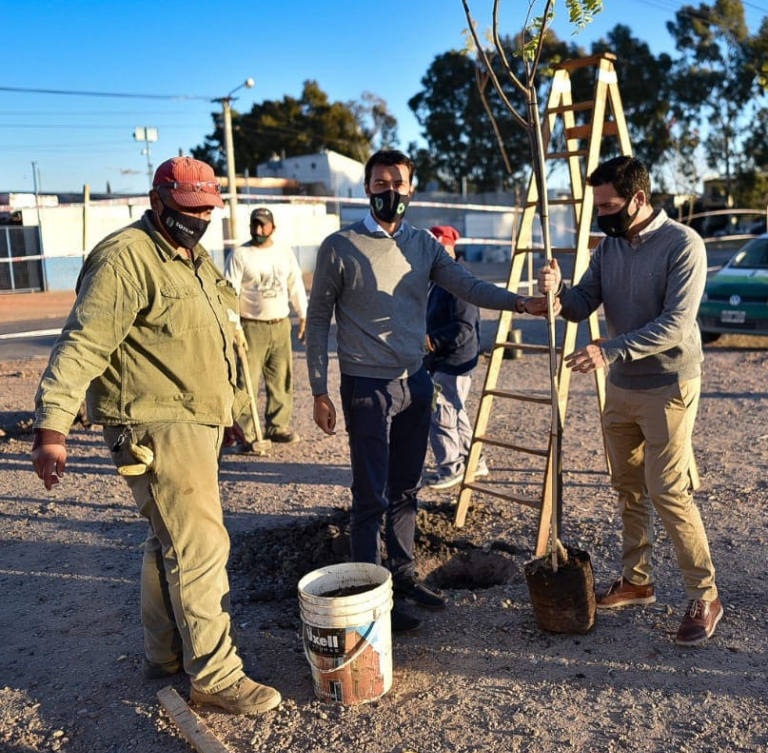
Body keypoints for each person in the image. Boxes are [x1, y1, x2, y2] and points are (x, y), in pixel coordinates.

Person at [30, 156, 282, 715]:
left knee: (167, 539)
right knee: (201, 547)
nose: (199, 220)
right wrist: (53, 428)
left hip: (196, 419)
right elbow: (82, 344)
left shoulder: (194, 258)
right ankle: (215, 676)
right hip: (153, 422)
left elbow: (223, 339)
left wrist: (238, 410)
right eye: (189, 210)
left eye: (207, 210)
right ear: (158, 201)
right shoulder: (126, 260)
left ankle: (164, 654)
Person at [306, 149, 552, 632]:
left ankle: (402, 575)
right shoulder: (339, 245)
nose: (389, 191)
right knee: (369, 494)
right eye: (380, 183)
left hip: (415, 381)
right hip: (366, 385)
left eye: (398, 182)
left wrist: (522, 303)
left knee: (405, 489)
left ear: (412, 189)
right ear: (366, 189)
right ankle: (369, 596)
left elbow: (467, 285)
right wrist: (319, 389)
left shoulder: (423, 245)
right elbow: (318, 321)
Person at [537, 155, 722, 647]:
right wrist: (557, 295)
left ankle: (705, 594)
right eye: (598, 206)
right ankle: (637, 581)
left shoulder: (684, 245)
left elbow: (676, 325)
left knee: (668, 491)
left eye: (609, 205)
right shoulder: (609, 246)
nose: (602, 215)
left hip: (669, 387)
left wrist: (607, 349)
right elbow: (581, 305)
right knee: (627, 486)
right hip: (621, 387)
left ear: (638, 199)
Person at [225, 207, 307, 447]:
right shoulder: (240, 255)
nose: (259, 229)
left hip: (280, 324)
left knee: (281, 378)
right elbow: (230, 292)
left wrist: (303, 315)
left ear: (273, 227)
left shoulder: (284, 253)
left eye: (263, 225)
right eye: (255, 225)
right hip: (251, 326)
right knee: (246, 381)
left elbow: (295, 284)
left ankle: (277, 426)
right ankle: (247, 434)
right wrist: (235, 327)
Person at [423, 225, 489, 490]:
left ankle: (451, 467)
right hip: (444, 357)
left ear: (446, 247)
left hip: (454, 358)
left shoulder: (458, 279)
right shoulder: (438, 277)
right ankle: (476, 460)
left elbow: (464, 327)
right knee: (456, 410)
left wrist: (431, 341)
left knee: (441, 410)